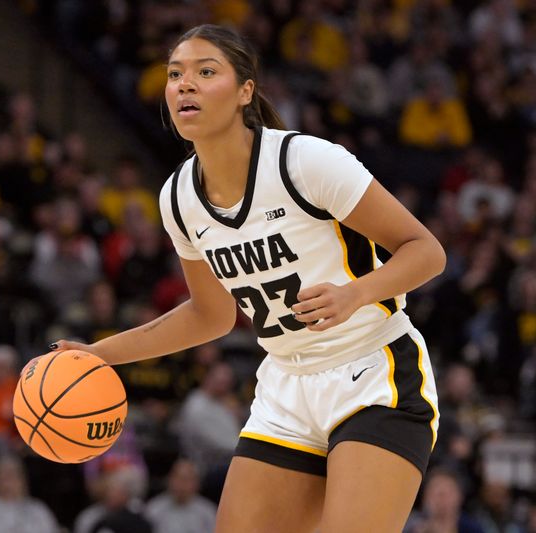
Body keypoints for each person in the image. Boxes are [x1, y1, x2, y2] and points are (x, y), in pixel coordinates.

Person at [46, 24, 446, 532]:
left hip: (372, 372)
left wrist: (355, 294)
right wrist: (99, 355)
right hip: (285, 384)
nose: (184, 84)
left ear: (244, 91)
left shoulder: (305, 162)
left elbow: (427, 251)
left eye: (205, 72)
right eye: (175, 75)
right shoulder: (178, 200)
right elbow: (210, 316)